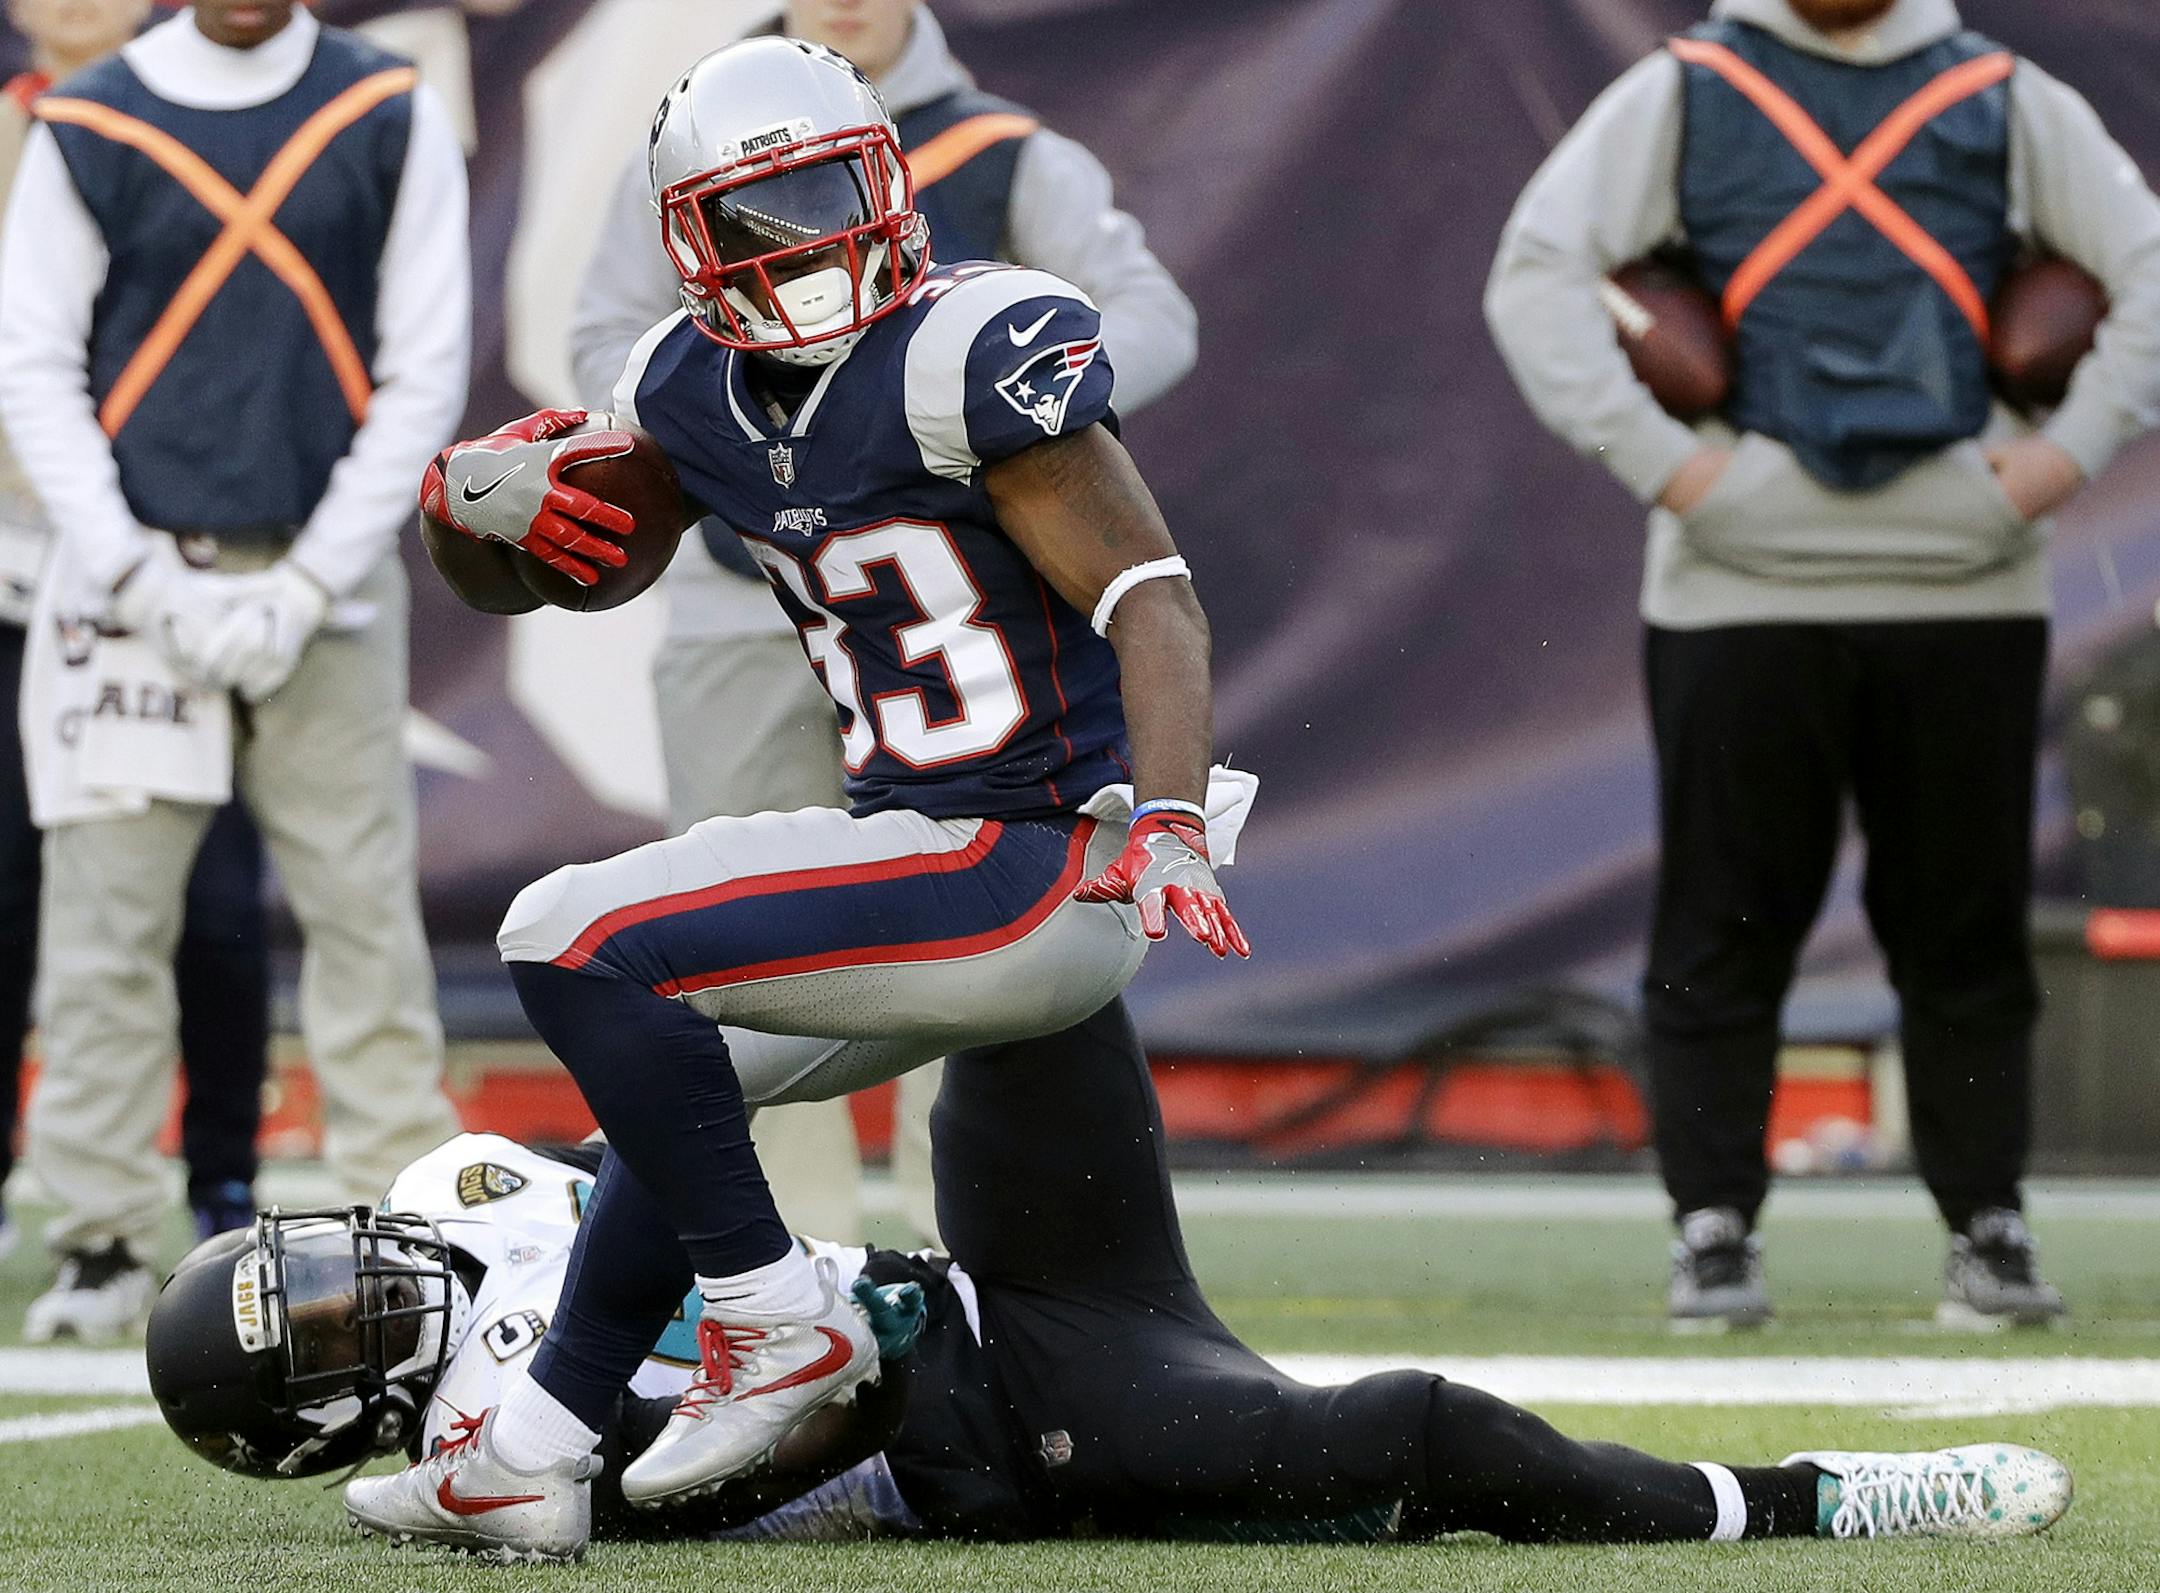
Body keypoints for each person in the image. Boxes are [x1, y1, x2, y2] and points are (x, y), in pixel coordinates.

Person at [367, 34, 1251, 1549]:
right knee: (676, 1098)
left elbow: (1154, 598)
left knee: (565, 933)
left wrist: (1166, 815)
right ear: (687, 241)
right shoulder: (684, 382)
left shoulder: (965, 342)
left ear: (890, 175)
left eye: (828, 189)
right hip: (927, 846)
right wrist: (463, 518)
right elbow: (578, 575)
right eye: (754, 214)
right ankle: (532, 1442)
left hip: (1036, 856)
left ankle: (776, 1320)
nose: (805, 237)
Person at [144, 1002, 2074, 1560]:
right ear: (325, 1424)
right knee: (1413, 1429)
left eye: (305, 1267)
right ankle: (1821, 1495)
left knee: (1039, 974)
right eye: (313, 1331)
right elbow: (766, 1439)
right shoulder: (491, 1458)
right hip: (1012, 1427)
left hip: (982, 1272)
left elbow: (651, 1146)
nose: (349, 1287)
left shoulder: (450, 1185)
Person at [1486, 0, 2160, 1328]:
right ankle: (1714, 1225)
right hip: (1739, 591)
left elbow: (2146, 267)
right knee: (1726, 919)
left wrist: (2065, 453)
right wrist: (1669, 465)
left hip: (1962, 585)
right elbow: (1535, 273)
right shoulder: (1684, 91)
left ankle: (1988, 1223)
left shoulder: (2002, 94)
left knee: (1963, 926)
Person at [568, 0, 1199, 1248]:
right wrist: (754, 463)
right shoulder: (692, 148)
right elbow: (614, 348)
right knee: (749, 965)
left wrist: (951, 427)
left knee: (948, 945)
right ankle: (786, 1255)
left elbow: (1150, 321)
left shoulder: (1004, 153)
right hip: (748, 604)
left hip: (967, 611)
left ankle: (944, 1242)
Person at [0, 0, 469, 1337]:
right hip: (123, 584)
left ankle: (405, 1216)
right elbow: (31, 364)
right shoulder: (86, 121)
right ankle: (94, 1234)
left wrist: (313, 574)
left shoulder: (385, 107)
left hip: (324, 583)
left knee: (364, 910)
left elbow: (426, 365)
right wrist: (144, 572)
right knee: (104, 924)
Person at [0, 0, 276, 1287]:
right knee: (21, 906)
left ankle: (226, 1176)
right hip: (19, 581)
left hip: (185, 570)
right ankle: (65, 1215)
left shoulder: (221, 127)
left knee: (215, 906)